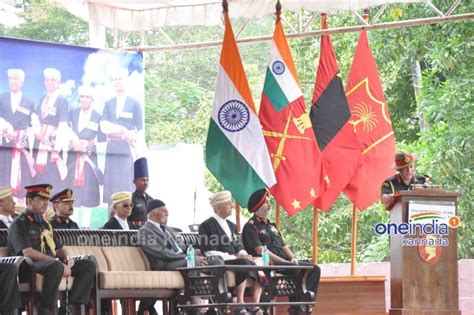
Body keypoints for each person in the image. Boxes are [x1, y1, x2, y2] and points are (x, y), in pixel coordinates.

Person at [7, 184, 95, 315]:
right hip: (28, 266)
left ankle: (71, 307)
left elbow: (59, 249)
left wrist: (67, 258)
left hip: (49, 264)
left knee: (87, 265)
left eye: (47, 200)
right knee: (55, 266)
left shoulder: (45, 223)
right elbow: (27, 252)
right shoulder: (20, 223)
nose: (45, 203)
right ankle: (46, 309)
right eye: (41, 199)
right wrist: (57, 261)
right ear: (29, 201)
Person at [242, 189, 321, 315]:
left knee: (314, 269)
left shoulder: (271, 226)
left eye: (268, 202)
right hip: (270, 264)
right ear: (257, 207)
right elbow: (260, 249)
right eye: (265, 203)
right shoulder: (251, 226)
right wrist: (283, 262)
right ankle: (297, 307)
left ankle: (303, 305)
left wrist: (292, 258)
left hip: (284, 262)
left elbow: (283, 246)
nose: (269, 205)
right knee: (296, 269)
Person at [138, 199, 224, 315]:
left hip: (183, 260)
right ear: (153, 214)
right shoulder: (144, 231)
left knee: (217, 261)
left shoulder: (169, 229)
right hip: (164, 264)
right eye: (164, 211)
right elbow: (160, 252)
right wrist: (187, 258)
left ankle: (216, 300)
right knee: (193, 263)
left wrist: (193, 253)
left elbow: (183, 246)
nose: (167, 214)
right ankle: (194, 304)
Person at [199, 191, 263, 315]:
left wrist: (243, 253)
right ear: (217, 207)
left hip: (237, 258)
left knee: (260, 261)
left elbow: (238, 245)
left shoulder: (232, 225)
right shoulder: (206, 225)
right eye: (228, 204)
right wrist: (234, 256)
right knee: (243, 262)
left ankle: (255, 304)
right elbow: (208, 251)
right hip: (221, 260)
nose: (232, 206)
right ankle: (240, 303)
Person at [100, 67, 144, 205]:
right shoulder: (108, 103)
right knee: (111, 183)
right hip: (112, 148)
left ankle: (128, 216)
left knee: (126, 182)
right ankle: (111, 217)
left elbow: (140, 131)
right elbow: (104, 126)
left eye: (120, 79)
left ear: (126, 81)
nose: (118, 81)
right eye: (115, 79)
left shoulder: (135, 103)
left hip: (127, 149)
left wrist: (139, 154)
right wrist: (121, 129)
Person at [66, 85, 103, 227]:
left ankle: (86, 226)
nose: (84, 99)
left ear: (92, 99)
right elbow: (66, 130)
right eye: (82, 96)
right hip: (73, 157)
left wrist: (89, 144)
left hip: (89, 157)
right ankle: (72, 224)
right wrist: (73, 142)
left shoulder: (98, 116)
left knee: (88, 192)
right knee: (73, 190)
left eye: (87, 96)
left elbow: (102, 139)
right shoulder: (73, 113)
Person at [33, 68, 69, 192]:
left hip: (52, 144)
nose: (49, 82)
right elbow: (36, 117)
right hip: (40, 143)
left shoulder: (61, 100)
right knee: (40, 177)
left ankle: (51, 209)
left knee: (52, 178)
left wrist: (56, 150)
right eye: (47, 80)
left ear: (58, 83)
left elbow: (63, 126)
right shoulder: (43, 98)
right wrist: (37, 130)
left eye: (53, 80)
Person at [0, 69, 36, 195]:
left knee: (21, 175)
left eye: (16, 78)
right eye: (11, 78)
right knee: (4, 175)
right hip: (5, 142)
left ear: (22, 82)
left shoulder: (29, 102)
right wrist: (5, 129)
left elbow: (32, 125)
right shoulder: (2, 97)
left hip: (21, 144)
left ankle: (18, 208)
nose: (13, 81)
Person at [130, 157, 153, 229]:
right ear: (134, 181)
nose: (145, 183)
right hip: (134, 235)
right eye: (142, 180)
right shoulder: (130, 199)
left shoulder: (151, 200)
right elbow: (124, 221)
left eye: (147, 180)